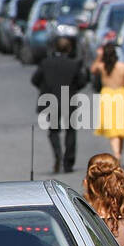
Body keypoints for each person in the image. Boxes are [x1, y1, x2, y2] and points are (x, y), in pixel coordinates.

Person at [31, 36, 88, 174]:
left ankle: (58, 155)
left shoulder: (46, 63)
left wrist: (45, 88)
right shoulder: (73, 64)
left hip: (51, 100)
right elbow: (81, 82)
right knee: (70, 131)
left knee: (54, 131)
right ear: (69, 49)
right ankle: (68, 162)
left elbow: (35, 79)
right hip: (69, 100)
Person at [90, 42, 124, 162]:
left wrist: (99, 56)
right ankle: (117, 152)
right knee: (120, 127)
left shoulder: (102, 66)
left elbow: (92, 69)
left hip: (107, 96)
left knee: (112, 127)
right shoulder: (123, 67)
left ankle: (117, 153)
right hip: (121, 95)